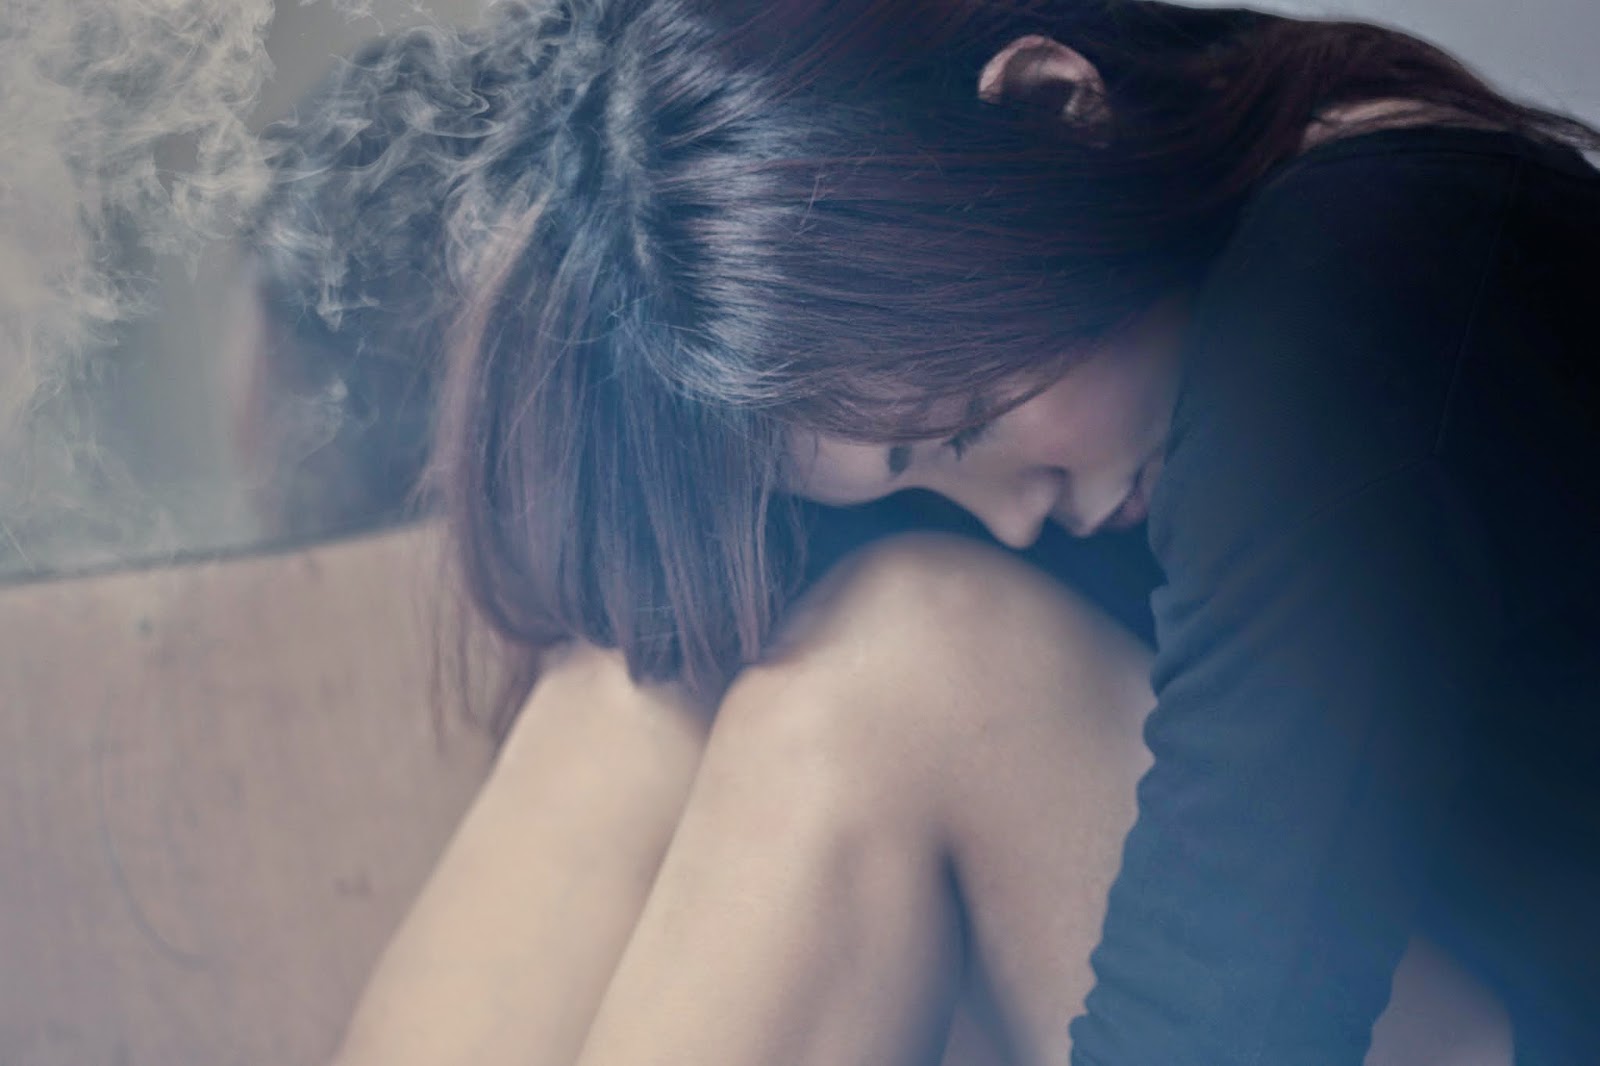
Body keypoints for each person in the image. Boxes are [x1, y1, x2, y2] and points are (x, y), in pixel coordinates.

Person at [240, 1, 1600, 1064]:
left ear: (1057, 108)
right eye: (912, 475)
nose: (1010, 514)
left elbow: (1224, 1029)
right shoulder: (1161, 291)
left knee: (903, 663)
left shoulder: (1354, 290)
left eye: (972, 422)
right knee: (648, 676)